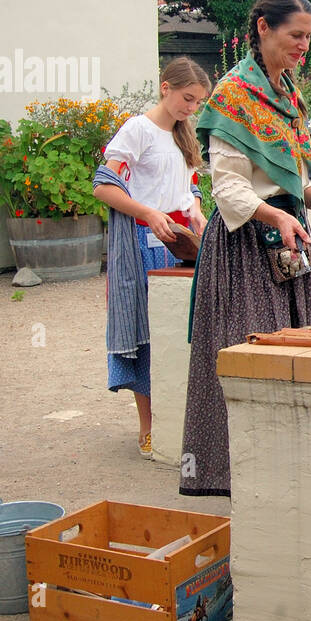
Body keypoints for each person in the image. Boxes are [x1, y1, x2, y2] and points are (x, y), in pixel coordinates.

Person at [179, 0, 311, 497]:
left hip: (289, 242)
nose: (303, 46)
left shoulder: (288, 96)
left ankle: (292, 473)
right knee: (250, 359)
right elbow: (228, 186)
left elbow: (294, 178)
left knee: (301, 354)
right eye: (295, 35)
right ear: (263, 28)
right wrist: (275, 217)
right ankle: (239, 479)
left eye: (308, 37)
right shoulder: (234, 94)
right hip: (247, 249)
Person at [92, 57, 210, 457]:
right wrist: (147, 212)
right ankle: (148, 427)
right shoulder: (137, 130)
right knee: (148, 336)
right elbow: (103, 187)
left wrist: (194, 206)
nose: (191, 108)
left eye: (197, 103)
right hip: (144, 243)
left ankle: (179, 423)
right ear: (165, 87)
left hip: (180, 243)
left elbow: (186, 185)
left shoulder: (182, 134)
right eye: (186, 98)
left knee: (178, 334)